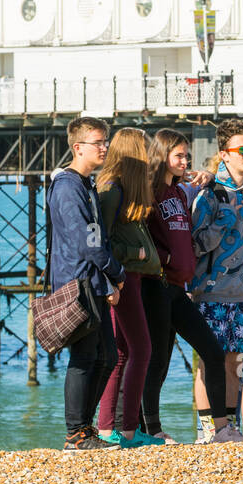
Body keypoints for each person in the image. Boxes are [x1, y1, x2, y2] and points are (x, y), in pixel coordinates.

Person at [141, 129, 234, 445]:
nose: (184, 161)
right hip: (156, 285)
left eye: (186, 156)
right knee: (157, 362)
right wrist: (163, 257)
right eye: (178, 155)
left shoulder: (181, 193)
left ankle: (220, 429)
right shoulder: (150, 192)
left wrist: (207, 177)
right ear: (163, 155)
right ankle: (152, 431)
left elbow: (202, 189)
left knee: (212, 350)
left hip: (179, 288)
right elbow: (141, 235)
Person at [189, 119, 243, 443]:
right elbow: (195, 245)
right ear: (224, 154)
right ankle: (207, 429)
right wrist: (221, 225)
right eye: (242, 149)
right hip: (211, 292)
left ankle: (228, 425)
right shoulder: (210, 193)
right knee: (208, 361)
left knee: (235, 360)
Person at [50, 117, 125, 450]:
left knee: (107, 356)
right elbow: (86, 241)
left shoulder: (85, 183)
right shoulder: (68, 186)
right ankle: (75, 433)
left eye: (105, 141)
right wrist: (115, 273)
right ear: (78, 147)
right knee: (84, 357)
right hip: (77, 284)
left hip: (93, 281)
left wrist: (106, 279)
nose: (104, 147)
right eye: (99, 142)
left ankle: (85, 427)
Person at [95, 128, 164, 447]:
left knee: (123, 352)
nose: (150, 156)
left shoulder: (124, 188)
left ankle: (108, 428)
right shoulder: (111, 190)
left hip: (129, 277)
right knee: (142, 349)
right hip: (121, 278)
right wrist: (132, 255)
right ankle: (127, 429)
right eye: (146, 151)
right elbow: (99, 243)